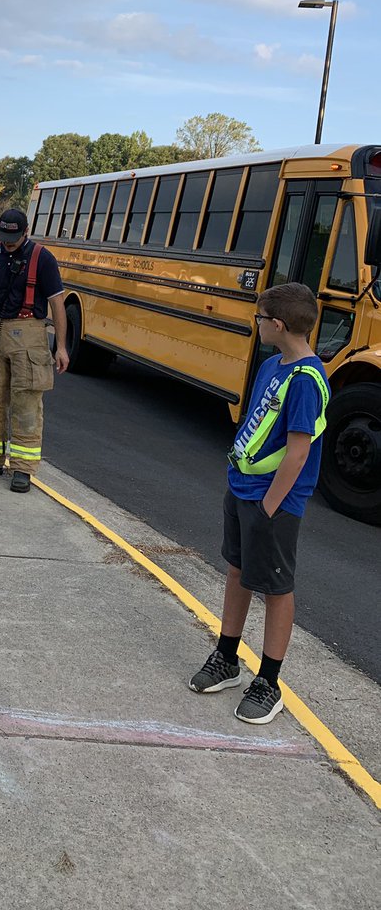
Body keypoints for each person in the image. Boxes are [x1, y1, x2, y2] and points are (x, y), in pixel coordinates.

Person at [189, 283, 330, 725]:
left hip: (274, 501)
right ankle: (227, 657)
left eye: (260, 317)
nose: (257, 322)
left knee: (275, 588)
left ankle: (269, 681)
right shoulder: (272, 366)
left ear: (278, 324)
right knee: (238, 570)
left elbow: (299, 450)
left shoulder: (306, 379)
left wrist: (270, 505)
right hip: (244, 489)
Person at [0, 209, 68, 493]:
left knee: (26, 403)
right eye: (4, 237)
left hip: (30, 333)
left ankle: (22, 468)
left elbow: (58, 303)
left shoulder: (42, 259)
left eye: (13, 237)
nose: (7, 243)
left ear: (26, 232)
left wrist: (61, 346)